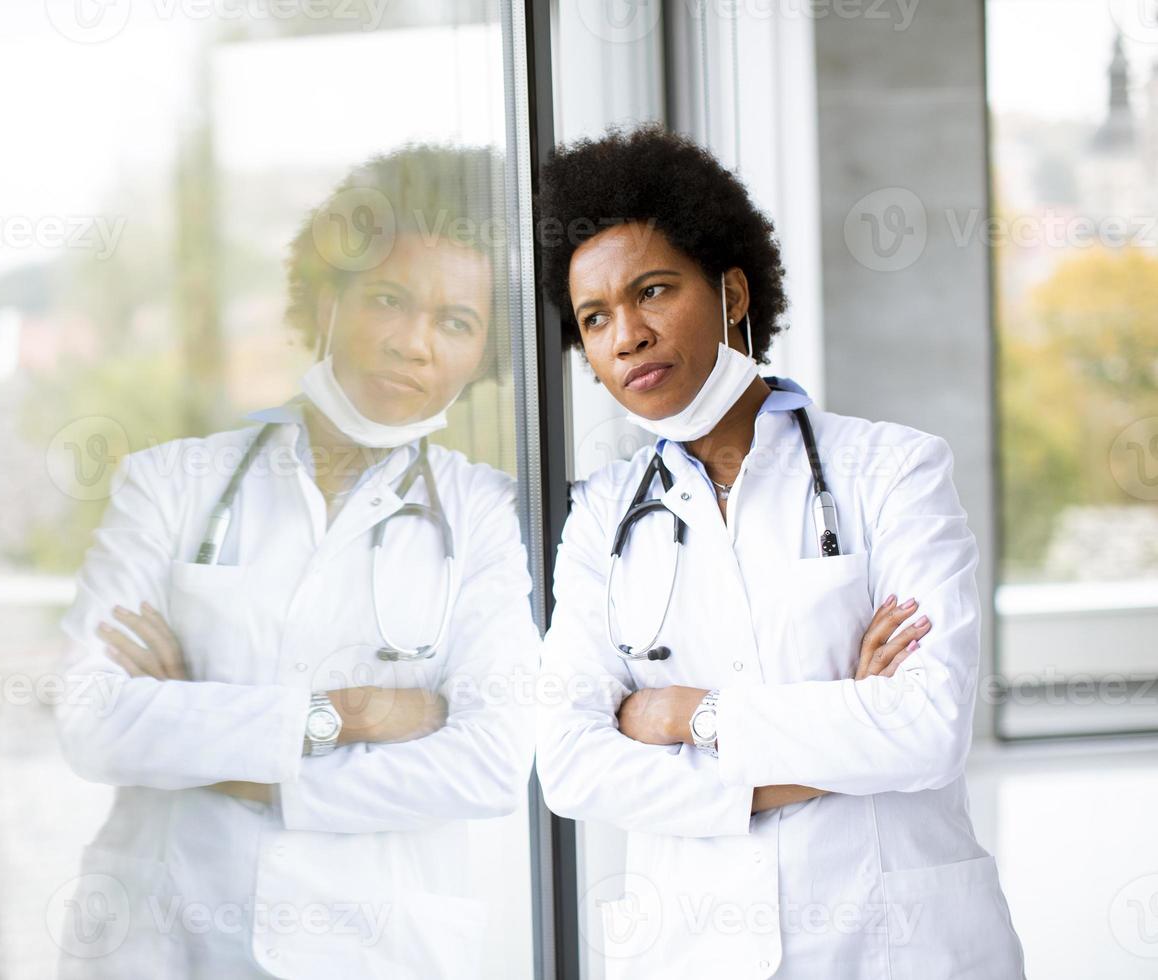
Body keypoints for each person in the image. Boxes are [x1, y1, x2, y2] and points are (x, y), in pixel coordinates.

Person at [533, 125, 1026, 979]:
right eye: (595, 318)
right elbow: (572, 769)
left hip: (896, 949)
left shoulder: (892, 469)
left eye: (652, 291)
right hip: (692, 951)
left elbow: (927, 729)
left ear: (731, 291)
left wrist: (691, 717)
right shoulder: (601, 521)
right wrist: (830, 742)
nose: (627, 335)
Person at [51, 144, 538, 978]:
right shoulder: (172, 484)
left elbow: (494, 760)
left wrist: (225, 752)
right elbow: (91, 721)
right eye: (389, 299)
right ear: (325, 300)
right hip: (163, 940)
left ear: (485, 355)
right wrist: (345, 717)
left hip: (373, 949)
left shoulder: (483, 515)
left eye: (456, 323)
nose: (415, 344)